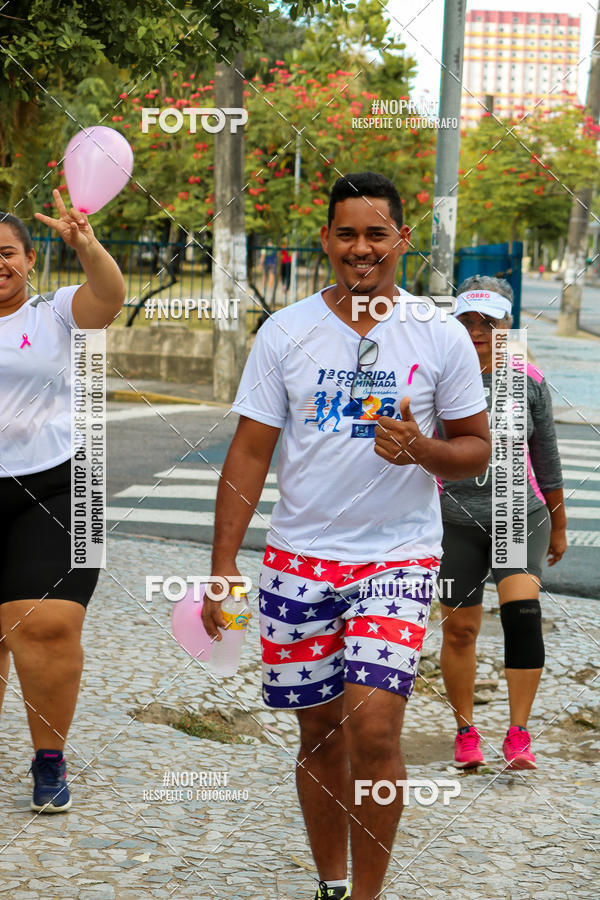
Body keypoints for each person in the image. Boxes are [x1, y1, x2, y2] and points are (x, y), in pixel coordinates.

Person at [203, 172, 491, 900]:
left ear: (401, 240)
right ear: (328, 240)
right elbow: (248, 452)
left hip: (397, 557)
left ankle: (368, 894)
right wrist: (222, 566)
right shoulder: (287, 332)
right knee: (321, 733)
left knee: (375, 732)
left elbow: (476, 447)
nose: (361, 249)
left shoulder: (440, 335)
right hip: (299, 560)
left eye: (376, 233)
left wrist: (422, 450)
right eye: (346, 234)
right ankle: (331, 882)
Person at [0, 190, 125, 812]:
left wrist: (88, 245)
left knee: (46, 624)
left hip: (62, 485)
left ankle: (49, 758)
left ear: (29, 260)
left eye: (7, 253)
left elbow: (109, 297)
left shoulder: (54, 314)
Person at [437, 275, 566, 771]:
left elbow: (547, 458)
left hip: (518, 513)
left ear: (506, 324)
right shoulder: (440, 377)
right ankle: (466, 732)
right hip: (455, 520)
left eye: (488, 322)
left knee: (522, 615)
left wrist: (558, 524)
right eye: (467, 320)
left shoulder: (527, 379)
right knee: (461, 631)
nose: (476, 331)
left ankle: (518, 734)